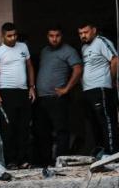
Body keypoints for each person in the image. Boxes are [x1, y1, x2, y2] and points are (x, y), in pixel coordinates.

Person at [0, 22, 34, 168]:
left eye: (14, 35)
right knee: (8, 129)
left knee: (24, 128)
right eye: (9, 36)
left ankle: (23, 160)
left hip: (23, 92)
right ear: (2, 36)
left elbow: (30, 67)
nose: (13, 38)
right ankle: (11, 161)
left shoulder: (23, 47)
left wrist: (32, 87)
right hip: (6, 93)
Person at [34, 27, 83, 165]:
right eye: (51, 36)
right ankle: (46, 162)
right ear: (47, 36)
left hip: (58, 98)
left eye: (57, 36)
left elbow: (78, 69)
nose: (54, 39)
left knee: (61, 130)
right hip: (42, 98)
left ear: (62, 36)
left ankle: (61, 161)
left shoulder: (68, 51)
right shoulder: (44, 51)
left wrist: (66, 89)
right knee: (43, 132)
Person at [78, 21, 119, 155]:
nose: (83, 36)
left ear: (94, 30)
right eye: (80, 33)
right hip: (87, 90)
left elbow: (115, 60)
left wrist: (112, 80)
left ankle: (111, 153)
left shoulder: (101, 41)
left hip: (101, 87)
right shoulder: (84, 48)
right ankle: (100, 151)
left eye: (85, 32)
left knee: (106, 121)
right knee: (93, 123)